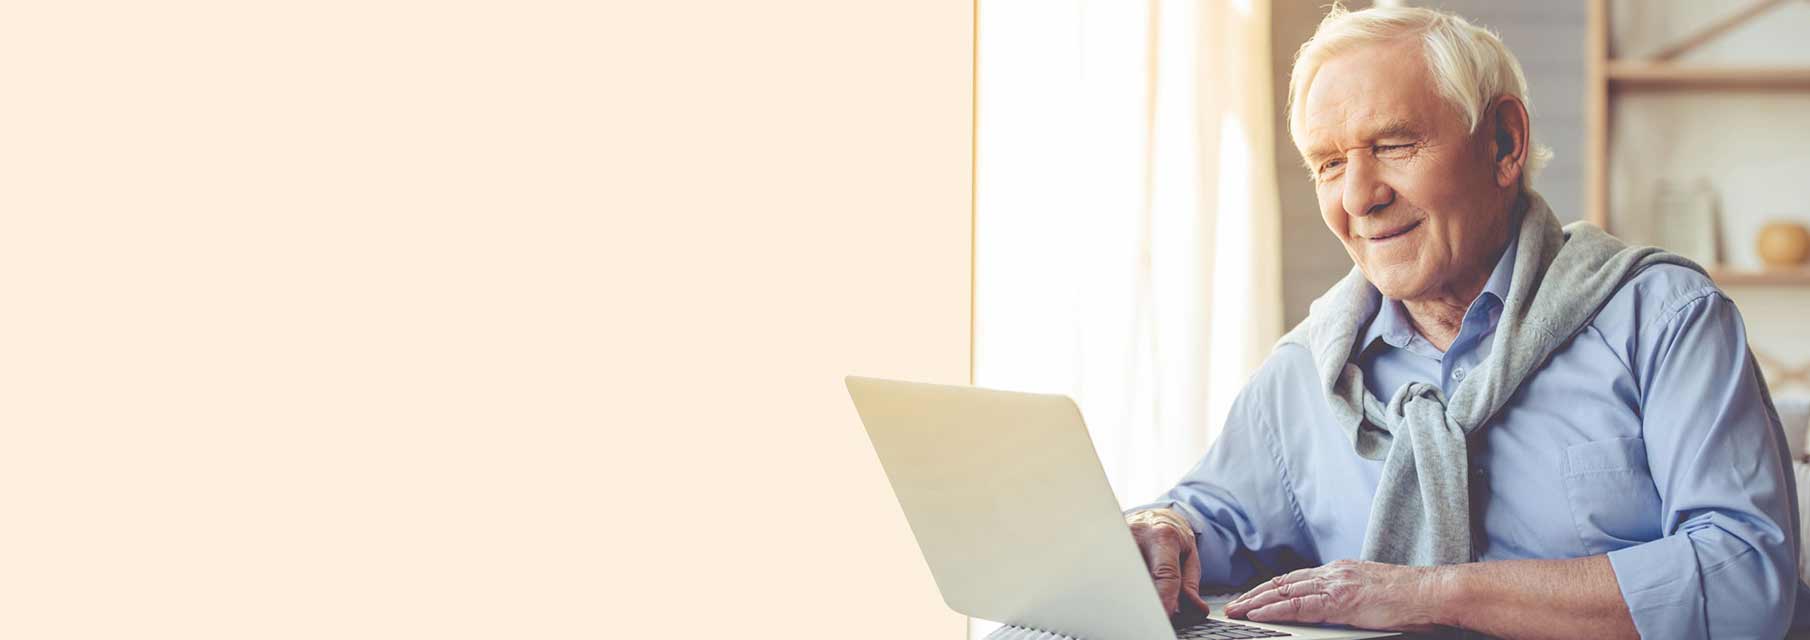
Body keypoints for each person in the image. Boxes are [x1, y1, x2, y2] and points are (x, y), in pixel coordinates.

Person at [1123, 6, 1805, 639]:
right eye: (1329, 164)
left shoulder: (1664, 321)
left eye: (1393, 144)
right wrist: (1163, 529)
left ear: (1504, 143)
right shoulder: (1305, 373)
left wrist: (1430, 594)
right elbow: (1206, 520)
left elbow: (1745, 581)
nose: (1358, 196)